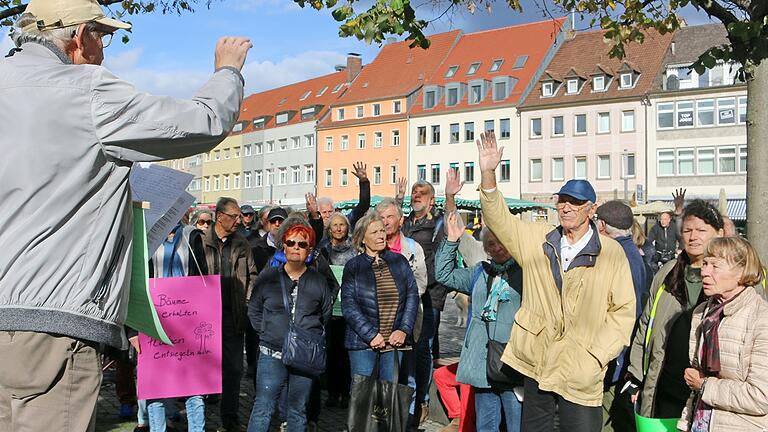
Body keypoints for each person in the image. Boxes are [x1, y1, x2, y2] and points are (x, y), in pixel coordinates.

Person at [0, 0, 251, 428]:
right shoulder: (86, 90)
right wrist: (228, 71)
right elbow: (202, 122)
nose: (104, 50)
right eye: (103, 36)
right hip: (52, 322)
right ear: (80, 35)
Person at [476, 132, 635, 432]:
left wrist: (596, 355)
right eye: (562, 201)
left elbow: (623, 312)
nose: (566, 208)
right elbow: (500, 221)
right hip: (540, 363)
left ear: (591, 208)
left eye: (575, 203)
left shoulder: (611, 253)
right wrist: (488, 174)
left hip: (582, 370)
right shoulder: (539, 238)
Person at [626, 200, 725, 420]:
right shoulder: (667, 273)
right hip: (666, 386)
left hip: (712, 392)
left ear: (718, 233)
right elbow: (646, 325)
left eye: (701, 230)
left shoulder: (734, 277)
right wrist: (635, 375)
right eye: (688, 230)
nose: (693, 237)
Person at [436, 212, 524, 432]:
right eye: (491, 244)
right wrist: (452, 241)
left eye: (501, 242)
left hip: (512, 361)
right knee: (486, 425)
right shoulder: (480, 272)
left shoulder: (525, 274)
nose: (496, 248)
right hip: (481, 361)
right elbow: (443, 275)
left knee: (516, 426)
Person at [247, 222, 333, 432]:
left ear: (309, 250)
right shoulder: (269, 278)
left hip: (304, 355)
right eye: (291, 242)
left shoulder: (318, 281)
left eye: (302, 244)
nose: (296, 247)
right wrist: (268, 332)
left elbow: (324, 314)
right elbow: (254, 309)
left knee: (297, 409)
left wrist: (306, 333)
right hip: (271, 353)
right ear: (283, 246)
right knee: (263, 406)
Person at [679, 236, 768, 431]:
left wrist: (704, 385)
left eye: (715, 266)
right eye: (705, 263)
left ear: (741, 272)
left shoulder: (761, 319)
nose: (704, 272)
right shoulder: (702, 313)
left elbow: (761, 396)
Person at [129, 221, 207, 431]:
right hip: (153, 321)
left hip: (188, 321)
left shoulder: (191, 237)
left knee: (195, 388)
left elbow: (203, 282)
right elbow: (133, 285)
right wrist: (132, 330)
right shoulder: (144, 239)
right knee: (156, 388)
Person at [200, 197, 259, 432]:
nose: (238, 220)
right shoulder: (201, 241)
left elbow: (252, 275)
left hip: (233, 314)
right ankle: (200, 414)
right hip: (205, 314)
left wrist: (246, 302)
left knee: (234, 368)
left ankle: (230, 416)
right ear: (219, 216)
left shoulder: (242, 243)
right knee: (204, 365)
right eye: (233, 216)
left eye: (239, 216)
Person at [342, 211, 419, 385]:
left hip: (394, 342)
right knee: (362, 396)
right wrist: (370, 335)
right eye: (374, 232)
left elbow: (412, 296)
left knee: (388, 397)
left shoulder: (399, 262)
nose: (380, 236)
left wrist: (404, 329)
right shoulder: (354, 266)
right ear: (362, 238)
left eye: (382, 231)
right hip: (363, 343)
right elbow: (349, 305)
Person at [594, 201, 650, 432]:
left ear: (603, 225)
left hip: (616, 354)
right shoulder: (633, 254)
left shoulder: (617, 256)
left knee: (611, 417)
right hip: (625, 353)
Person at [402, 179, 447, 424]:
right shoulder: (406, 222)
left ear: (432, 199)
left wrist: (450, 197)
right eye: (414, 192)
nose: (416, 195)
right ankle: (406, 397)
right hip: (406, 296)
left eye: (422, 193)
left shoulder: (438, 222)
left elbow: (441, 258)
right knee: (410, 346)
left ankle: (422, 401)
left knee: (422, 348)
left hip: (429, 295)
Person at [317, 212, 357, 409]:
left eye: (342, 225)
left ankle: (346, 393)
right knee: (332, 354)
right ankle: (333, 393)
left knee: (347, 354)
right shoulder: (323, 249)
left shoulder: (355, 249)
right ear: (329, 228)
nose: (339, 228)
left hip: (349, 307)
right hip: (330, 308)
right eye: (335, 225)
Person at [317, 161, 371, 229]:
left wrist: (364, 182)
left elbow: (363, 205)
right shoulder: (315, 230)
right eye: (324, 212)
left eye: (330, 211)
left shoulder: (345, 222)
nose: (328, 215)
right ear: (318, 214)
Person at [252, 207, 288, 271]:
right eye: (273, 221)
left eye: (281, 221)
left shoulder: (294, 245)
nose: (277, 224)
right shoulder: (256, 247)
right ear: (268, 224)